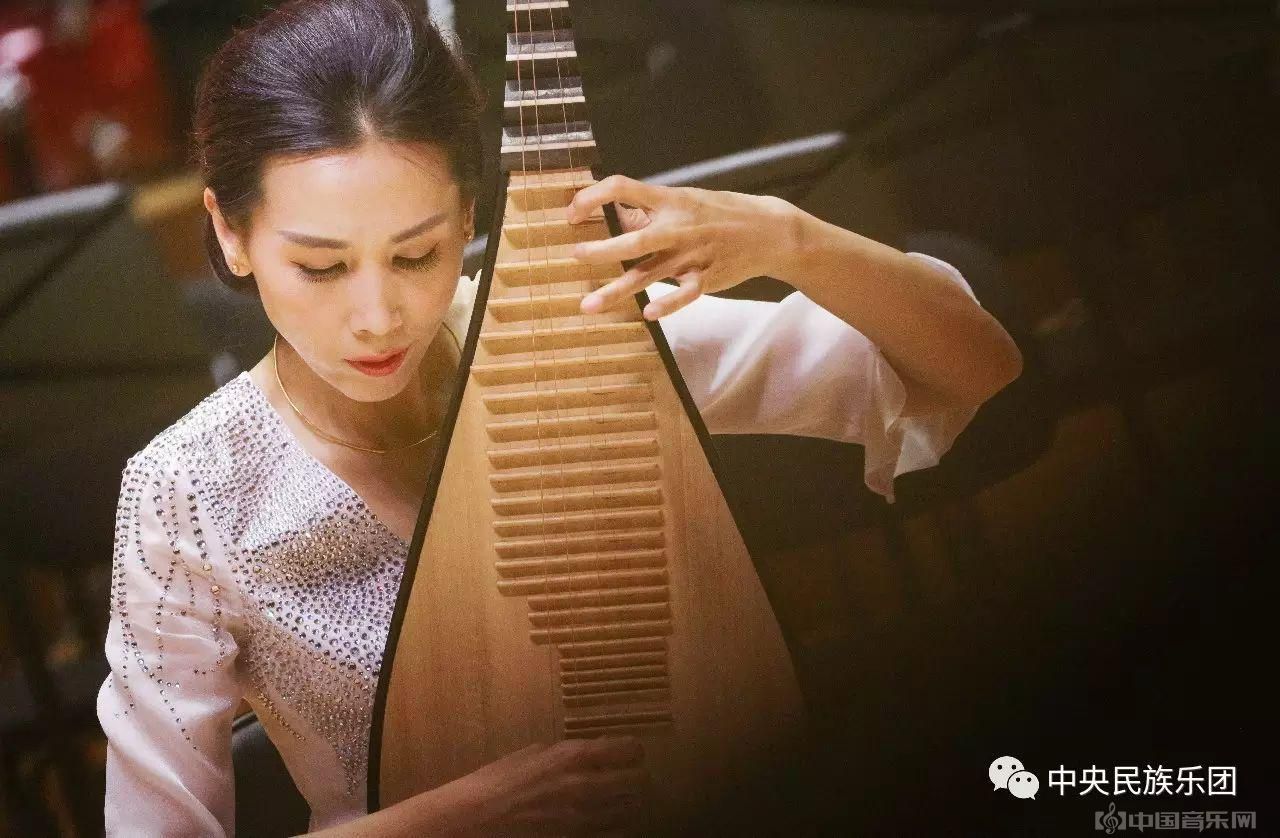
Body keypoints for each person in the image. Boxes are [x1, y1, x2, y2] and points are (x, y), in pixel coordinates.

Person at [95, 0, 1022, 834]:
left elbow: (973, 370)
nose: (377, 317)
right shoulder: (189, 492)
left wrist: (791, 237)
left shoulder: (568, 339)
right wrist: (457, 817)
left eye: (416, 255)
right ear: (230, 233)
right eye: (322, 267)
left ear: (467, 218)